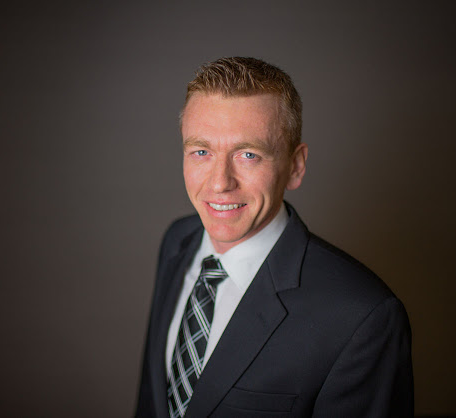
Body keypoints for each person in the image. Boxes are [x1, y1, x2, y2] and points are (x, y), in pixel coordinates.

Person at [135, 57, 413, 417]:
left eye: (248, 155)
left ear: (295, 166)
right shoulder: (178, 241)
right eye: (201, 152)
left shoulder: (363, 317)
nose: (220, 183)